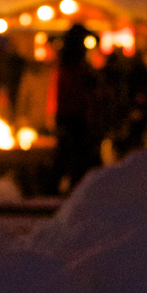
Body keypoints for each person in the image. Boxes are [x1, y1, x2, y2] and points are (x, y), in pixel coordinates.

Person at [52, 24, 103, 194]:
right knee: (78, 156)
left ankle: (64, 189)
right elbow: (80, 92)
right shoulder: (74, 67)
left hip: (69, 115)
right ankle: (74, 191)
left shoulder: (67, 64)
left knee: (69, 156)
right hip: (76, 116)